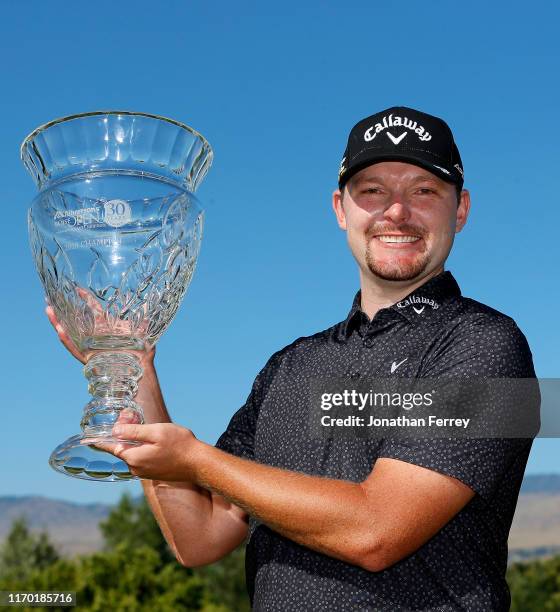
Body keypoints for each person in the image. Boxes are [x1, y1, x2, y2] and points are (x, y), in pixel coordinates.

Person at [47, 106, 537, 611]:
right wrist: (137, 372)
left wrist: (195, 459)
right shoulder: (289, 366)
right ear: (340, 209)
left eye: (424, 191)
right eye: (372, 191)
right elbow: (199, 540)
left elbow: (378, 532)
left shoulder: (489, 345)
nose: (396, 212)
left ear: (461, 210)